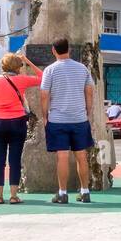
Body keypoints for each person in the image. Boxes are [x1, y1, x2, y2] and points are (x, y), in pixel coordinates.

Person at [0, 52, 43, 205]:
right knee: (15, 160)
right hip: (17, 122)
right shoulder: (22, 79)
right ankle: (14, 196)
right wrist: (28, 60)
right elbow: (43, 78)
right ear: (17, 67)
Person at [39, 37, 95, 204]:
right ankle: (85, 191)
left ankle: (62, 193)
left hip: (57, 120)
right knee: (81, 156)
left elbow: (44, 95)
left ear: (54, 51)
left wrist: (44, 115)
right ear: (69, 49)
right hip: (79, 119)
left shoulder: (50, 70)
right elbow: (89, 91)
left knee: (62, 157)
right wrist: (88, 112)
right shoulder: (82, 68)